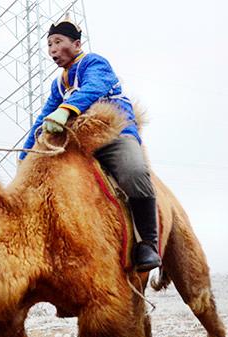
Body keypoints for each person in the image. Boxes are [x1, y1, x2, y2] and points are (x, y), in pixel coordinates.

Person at [19, 20, 161, 271]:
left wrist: (65, 111)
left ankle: (148, 244)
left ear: (76, 44)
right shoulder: (59, 84)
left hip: (114, 135)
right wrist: (26, 155)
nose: (52, 49)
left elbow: (92, 88)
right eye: (49, 44)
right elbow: (43, 119)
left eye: (58, 42)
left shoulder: (95, 63)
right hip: (80, 144)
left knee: (134, 171)